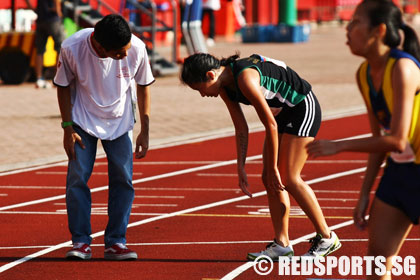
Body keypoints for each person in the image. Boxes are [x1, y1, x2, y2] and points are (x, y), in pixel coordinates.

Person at [181, 53, 342, 260]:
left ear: (211, 75)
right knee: (269, 180)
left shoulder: (245, 79)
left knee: (289, 178)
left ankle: (327, 237)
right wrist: (241, 165)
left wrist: (274, 167)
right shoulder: (223, 86)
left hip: (302, 106)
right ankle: (282, 244)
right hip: (282, 112)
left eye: (199, 89)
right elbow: (241, 127)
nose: (202, 95)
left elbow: (270, 125)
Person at [307, 0, 420, 278]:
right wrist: (363, 195)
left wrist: (339, 145)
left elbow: (396, 140)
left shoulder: (403, 69)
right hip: (401, 172)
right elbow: (377, 141)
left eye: (356, 22)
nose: (347, 28)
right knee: (376, 264)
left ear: (379, 30)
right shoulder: (364, 74)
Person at [54, 14, 154, 260]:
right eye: (119, 53)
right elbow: (63, 86)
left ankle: (116, 241)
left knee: (123, 180)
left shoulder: (137, 48)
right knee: (77, 179)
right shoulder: (71, 48)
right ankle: (80, 241)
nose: (124, 55)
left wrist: (145, 129)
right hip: (82, 121)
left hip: (120, 121)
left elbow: (143, 86)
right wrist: (67, 127)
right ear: (100, 46)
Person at [25, 0, 65, 89]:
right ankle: (57, 79)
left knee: (40, 50)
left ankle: (39, 78)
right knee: (60, 48)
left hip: (40, 20)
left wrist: (34, 9)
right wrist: (58, 12)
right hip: (53, 19)